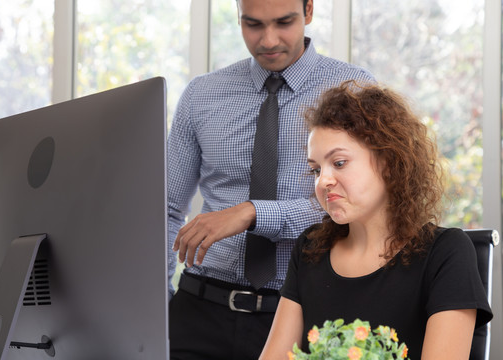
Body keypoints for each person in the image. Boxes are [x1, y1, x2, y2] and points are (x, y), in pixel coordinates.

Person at [167, 0, 374, 358]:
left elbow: (360, 202)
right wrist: (158, 302)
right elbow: (166, 209)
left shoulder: (354, 91)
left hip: (306, 312)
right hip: (198, 311)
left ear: (308, 11)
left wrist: (252, 213)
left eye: (284, 22)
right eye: (253, 25)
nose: (268, 39)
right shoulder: (201, 96)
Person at [259, 80, 493, 360]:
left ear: (389, 162)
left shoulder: (446, 252)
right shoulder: (310, 249)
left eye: (339, 163)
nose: (324, 181)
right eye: (316, 169)